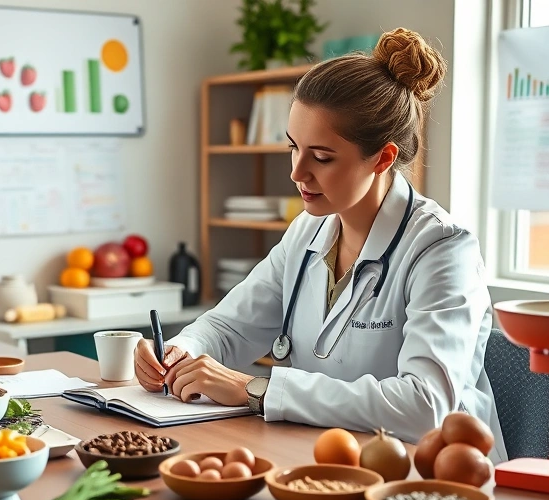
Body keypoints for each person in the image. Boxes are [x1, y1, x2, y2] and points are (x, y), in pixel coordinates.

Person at [134, 28, 507, 464]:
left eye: (322, 157)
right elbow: (229, 328)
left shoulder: (443, 249)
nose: (297, 173)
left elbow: (423, 407)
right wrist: (181, 352)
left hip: (433, 481)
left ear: (383, 158)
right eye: (294, 148)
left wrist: (257, 389)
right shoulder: (307, 232)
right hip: (326, 461)